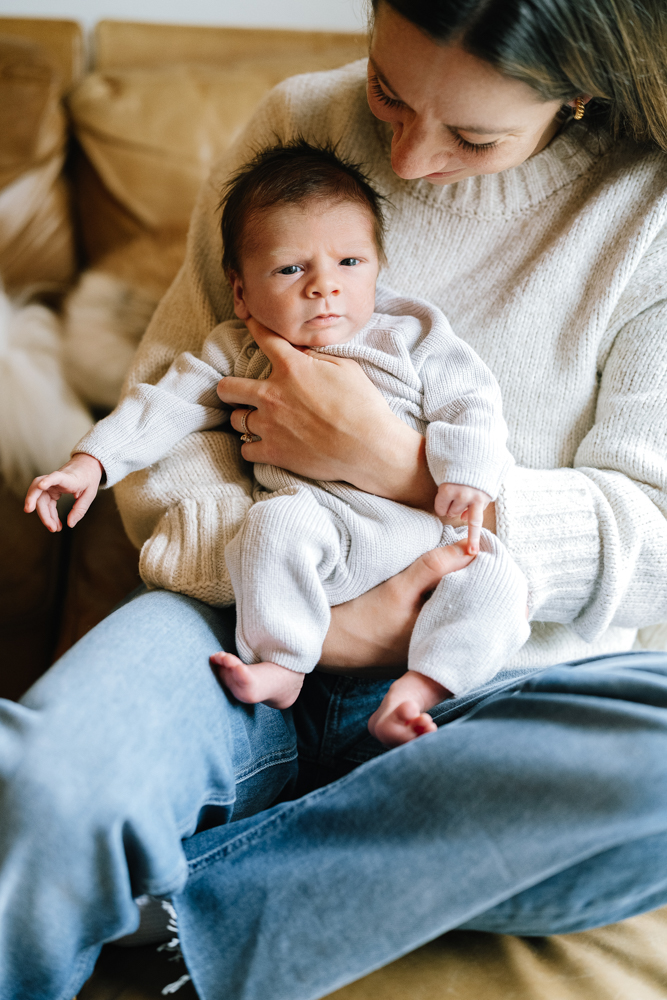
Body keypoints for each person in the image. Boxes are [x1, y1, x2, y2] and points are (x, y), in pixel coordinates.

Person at [3, 1, 667, 999]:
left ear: (577, 88)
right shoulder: (292, 127)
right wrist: (309, 606)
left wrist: (396, 467)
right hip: (233, 634)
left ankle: (188, 913)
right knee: (47, 783)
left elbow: (649, 532)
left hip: (475, 700)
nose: (403, 162)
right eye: (386, 93)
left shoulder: (645, 216)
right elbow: (170, 427)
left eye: (472, 135)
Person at [25, 140, 527, 747]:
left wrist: (467, 473)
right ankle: (284, 663)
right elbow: (165, 403)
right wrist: (91, 461)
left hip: (418, 532)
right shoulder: (236, 346)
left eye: (349, 262)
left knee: (498, 577)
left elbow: (470, 399)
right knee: (272, 524)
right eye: (291, 269)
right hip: (319, 539)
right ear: (240, 291)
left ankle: (420, 689)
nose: (325, 288)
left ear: (378, 266)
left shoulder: (411, 332)